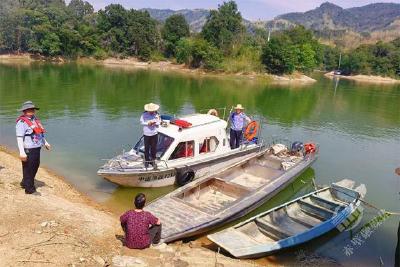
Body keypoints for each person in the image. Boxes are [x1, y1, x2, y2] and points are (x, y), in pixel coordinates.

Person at [16, 101, 51, 194]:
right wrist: (22, 152)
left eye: (33, 109)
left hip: (36, 147)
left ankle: (25, 182)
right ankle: (29, 189)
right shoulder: (21, 122)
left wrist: (45, 142)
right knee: (30, 167)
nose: (31, 111)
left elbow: (39, 133)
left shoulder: (34, 119)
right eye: (29, 109)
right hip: (28, 148)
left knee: (34, 165)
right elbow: (19, 138)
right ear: (24, 111)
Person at [140, 103, 161, 169]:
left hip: (154, 134)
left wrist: (154, 123)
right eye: (151, 110)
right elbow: (141, 122)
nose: (152, 112)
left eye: (153, 110)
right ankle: (147, 161)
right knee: (146, 148)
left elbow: (159, 122)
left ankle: (153, 161)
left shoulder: (157, 115)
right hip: (146, 134)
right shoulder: (144, 115)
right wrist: (148, 123)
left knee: (153, 148)